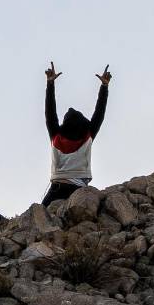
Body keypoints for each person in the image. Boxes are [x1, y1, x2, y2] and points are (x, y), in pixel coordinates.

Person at [41, 62, 111, 206]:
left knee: (38, 218)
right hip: (79, 191)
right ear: (84, 124)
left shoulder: (56, 137)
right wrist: (104, 87)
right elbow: (99, 113)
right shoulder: (87, 136)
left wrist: (50, 83)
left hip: (57, 188)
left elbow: (50, 113)